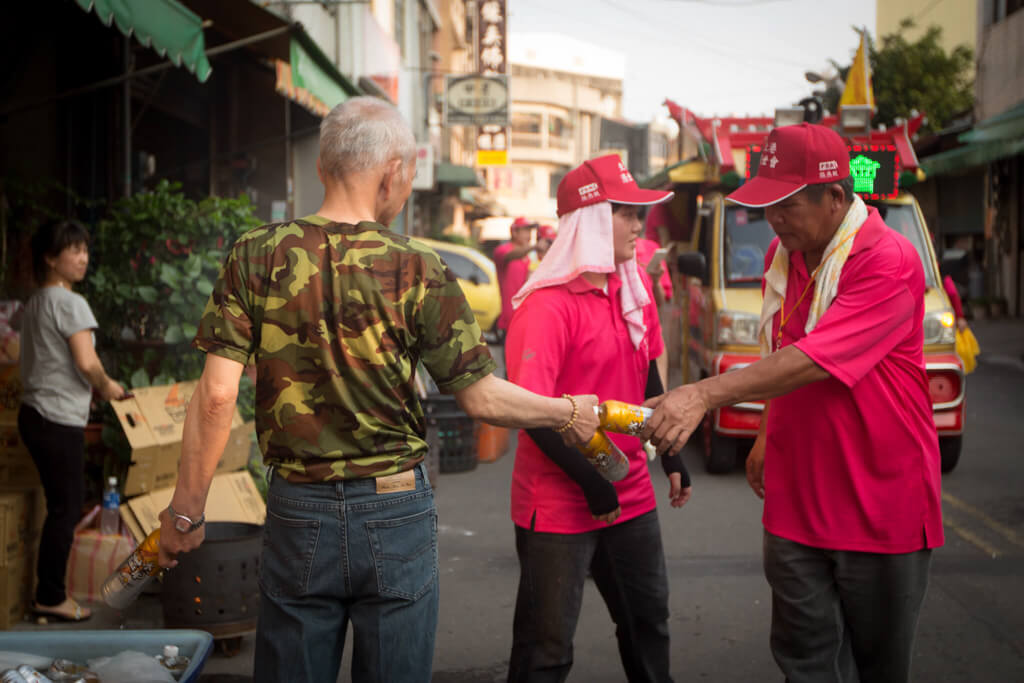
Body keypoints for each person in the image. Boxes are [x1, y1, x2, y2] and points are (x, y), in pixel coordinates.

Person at [156, 96, 599, 683]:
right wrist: (566, 411)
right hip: (395, 509)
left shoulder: (255, 253)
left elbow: (216, 395)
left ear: (322, 167)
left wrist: (186, 511)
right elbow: (480, 397)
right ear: (393, 173)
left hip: (298, 507)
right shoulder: (419, 266)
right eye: (410, 177)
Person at [641, 123, 943, 683]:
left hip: (880, 503)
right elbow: (783, 350)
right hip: (797, 504)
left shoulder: (889, 260)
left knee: (879, 669)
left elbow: (815, 359)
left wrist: (702, 393)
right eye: (766, 205)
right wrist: (764, 434)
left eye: (787, 204)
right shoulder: (788, 261)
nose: (773, 219)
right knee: (803, 664)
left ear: (835, 197)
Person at [505, 154, 692, 683]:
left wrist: (672, 451)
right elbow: (532, 412)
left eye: (641, 214)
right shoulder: (546, 307)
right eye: (626, 213)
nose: (640, 225)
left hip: (630, 493)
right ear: (589, 220)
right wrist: (593, 484)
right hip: (559, 504)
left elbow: (645, 380)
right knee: (546, 651)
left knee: (648, 626)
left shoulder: (632, 290)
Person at [19, 219, 127, 623]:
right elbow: (86, 362)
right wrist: (108, 385)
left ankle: (48, 592)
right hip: (57, 417)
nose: (83, 258)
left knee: (58, 505)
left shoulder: (34, 303)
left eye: (85, 249)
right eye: (73, 251)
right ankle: (50, 596)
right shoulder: (70, 303)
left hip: (34, 413)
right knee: (64, 507)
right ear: (51, 258)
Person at [493, 216, 537, 336]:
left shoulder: (530, 258)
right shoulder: (502, 250)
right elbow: (510, 256)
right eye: (525, 230)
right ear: (514, 232)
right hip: (509, 321)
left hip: (526, 319)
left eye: (530, 231)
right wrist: (534, 247)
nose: (529, 234)